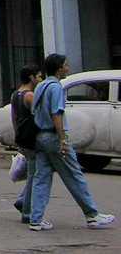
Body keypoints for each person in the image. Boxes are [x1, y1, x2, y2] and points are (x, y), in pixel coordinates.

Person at [28, 54, 115, 232]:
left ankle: (35, 218)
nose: (67, 68)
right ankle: (92, 215)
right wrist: (63, 139)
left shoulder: (41, 86)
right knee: (74, 176)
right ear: (59, 68)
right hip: (53, 137)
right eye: (65, 65)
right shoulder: (55, 88)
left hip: (40, 137)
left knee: (41, 178)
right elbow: (57, 114)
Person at [11, 64, 42, 224]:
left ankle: (23, 199)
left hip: (22, 137)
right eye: (39, 76)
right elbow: (40, 116)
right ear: (31, 77)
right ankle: (26, 208)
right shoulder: (29, 95)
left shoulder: (15, 94)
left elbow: (14, 118)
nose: (40, 79)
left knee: (34, 172)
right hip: (31, 139)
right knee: (34, 175)